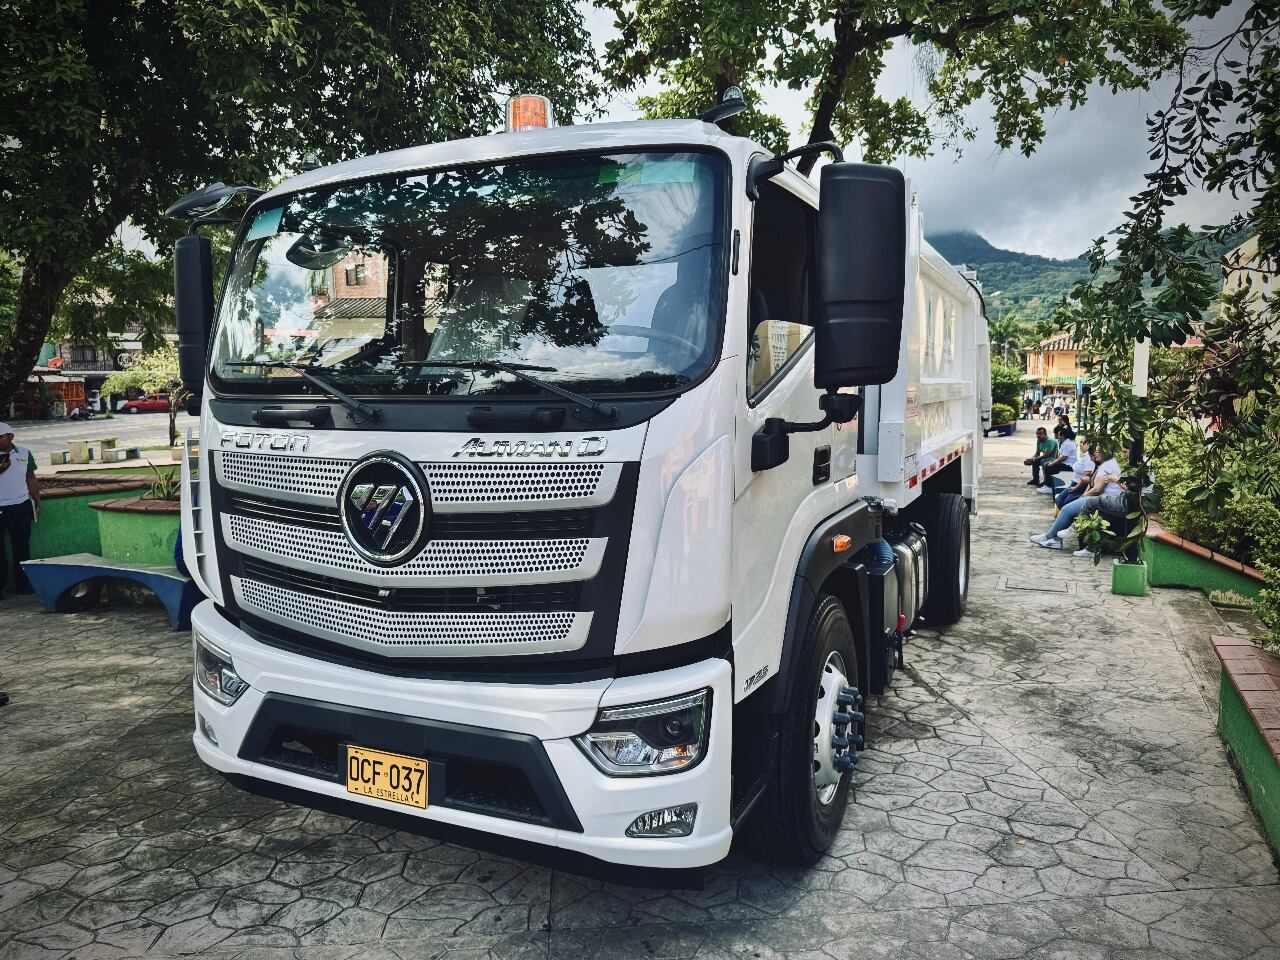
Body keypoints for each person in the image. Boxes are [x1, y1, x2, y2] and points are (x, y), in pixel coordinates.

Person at [1030, 446, 1126, 554]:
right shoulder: (1109, 463)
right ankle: (1054, 539)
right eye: (1095, 451)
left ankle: (1050, 537)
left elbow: (1097, 489)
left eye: (1098, 452)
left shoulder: (1107, 466)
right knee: (1069, 506)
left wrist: (1084, 496)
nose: (1095, 454)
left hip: (1102, 500)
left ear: (1106, 452)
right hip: (1103, 499)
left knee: (1067, 509)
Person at [0, 423, 40, 600]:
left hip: (21, 506)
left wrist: (37, 500)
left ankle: (23, 584)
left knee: (22, 547)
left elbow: (30, 478)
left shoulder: (24, 453)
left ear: (10, 437)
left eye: (0, 437)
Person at [1037, 425, 1076, 493]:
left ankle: (1049, 487)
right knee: (1048, 465)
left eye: (1058, 435)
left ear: (1062, 436)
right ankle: (1047, 484)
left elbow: (1063, 458)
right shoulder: (1065, 442)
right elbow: (1060, 456)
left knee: (1049, 467)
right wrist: (1054, 461)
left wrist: (1053, 463)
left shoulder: (1068, 444)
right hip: (1065, 463)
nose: (1057, 436)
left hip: (1069, 465)